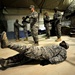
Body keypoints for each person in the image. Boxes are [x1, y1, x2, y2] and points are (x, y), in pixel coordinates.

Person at [0, 31, 69, 69]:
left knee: (26, 49)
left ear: (65, 46)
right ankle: (5, 62)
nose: (62, 42)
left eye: (64, 43)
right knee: (22, 57)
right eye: (63, 42)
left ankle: (7, 44)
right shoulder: (56, 45)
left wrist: (49, 61)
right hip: (41, 51)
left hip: (42, 53)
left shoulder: (63, 51)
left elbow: (60, 58)